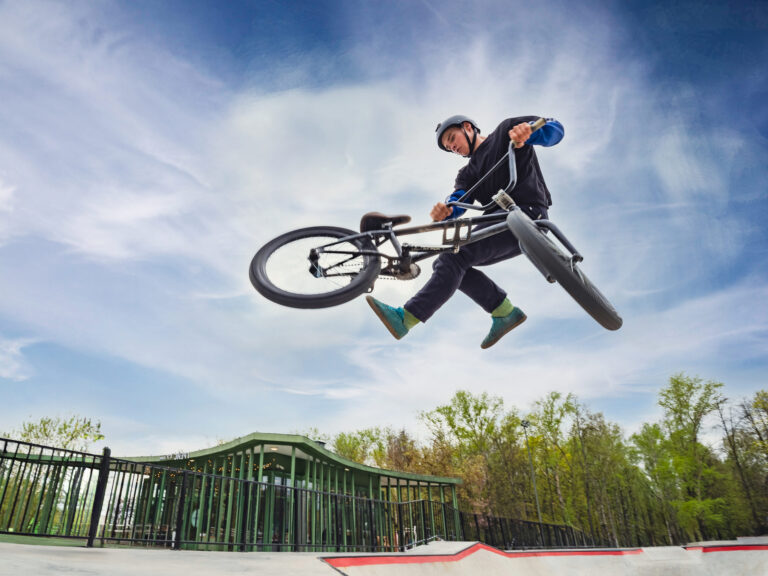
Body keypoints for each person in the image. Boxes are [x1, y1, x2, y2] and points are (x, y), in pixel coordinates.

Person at [366, 114, 564, 348]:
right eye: (449, 148)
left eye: (452, 139)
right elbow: (459, 200)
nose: (454, 147)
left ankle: (405, 318)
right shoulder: (467, 173)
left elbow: (555, 128)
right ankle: (504, 312)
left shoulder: (505, 131)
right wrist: (447, 211)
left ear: (468, 128)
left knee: (452, 258)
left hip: (528, 213)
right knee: (451, 262)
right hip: (498, 222)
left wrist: (530, 133)